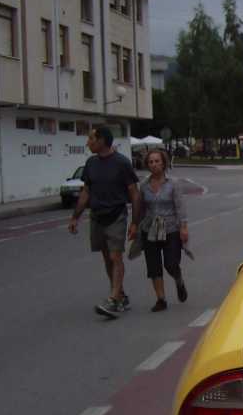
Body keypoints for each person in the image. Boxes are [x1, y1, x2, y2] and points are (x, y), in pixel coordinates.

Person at [68, 126, 140, 319]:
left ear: (101, 141)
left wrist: (135, 223)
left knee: (116, 257)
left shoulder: (122, 163)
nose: (88, 143)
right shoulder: (91, 163)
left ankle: (114, 299)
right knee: (107, 258)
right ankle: (120, 294)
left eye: (91, 139)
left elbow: (134, 193)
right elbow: (86, 192)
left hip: (116, 215)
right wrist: (76, 216)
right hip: (97, 217)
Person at [133, 148, 189, 311]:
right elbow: (140, 208)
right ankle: (161, 299)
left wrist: (183, 227)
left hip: (171, 229)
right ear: (147, 165)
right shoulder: (143, 186)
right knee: (153, 265)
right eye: (151, 162)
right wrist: (135, 225)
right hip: (150, 230)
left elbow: (180, 207)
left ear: (163, 163)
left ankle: (178, 279)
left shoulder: (173, 184)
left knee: (171, 263)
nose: (154, 164)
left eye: (157, 161)